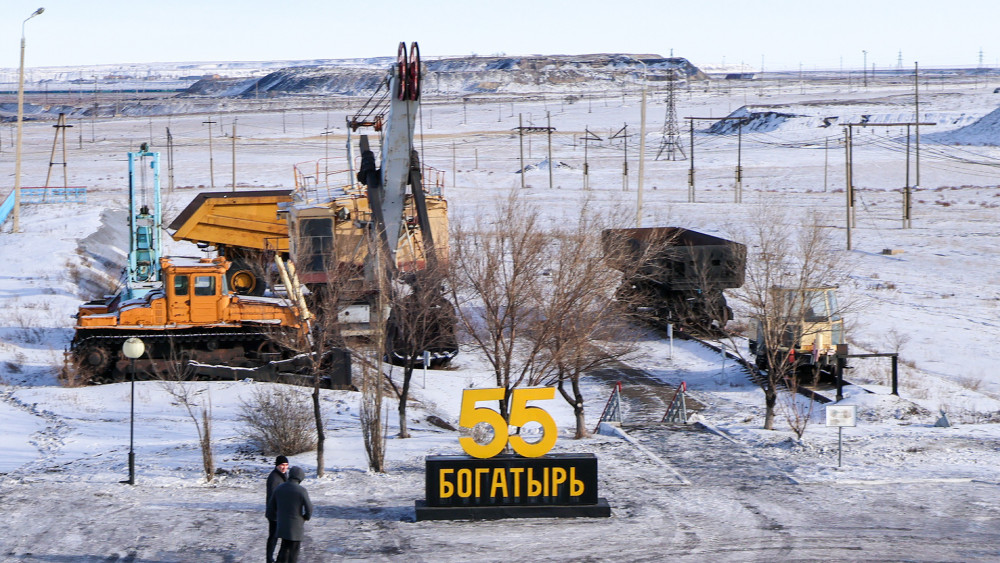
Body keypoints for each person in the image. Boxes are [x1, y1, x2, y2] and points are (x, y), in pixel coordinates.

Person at [266, 466, 313, 563]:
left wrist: (277, 518)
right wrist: (305, 517)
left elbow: (271, 508)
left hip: (282, 526)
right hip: (296, 528)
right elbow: (309, 509)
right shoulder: (301, 490)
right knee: (293, 554)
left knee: (284, 550)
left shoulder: (279, 488)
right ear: (300, 477)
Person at [265, 456, 289, 563]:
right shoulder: (274, 478)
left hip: (280, 513)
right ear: (277, 465)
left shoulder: (283, 475)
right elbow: (273, 497)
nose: (284, 467)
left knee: (280, 537)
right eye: (282, 465)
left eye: (286, 465)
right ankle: (270, 559)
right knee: (273, 538)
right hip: (275, 514)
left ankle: (277, 559)